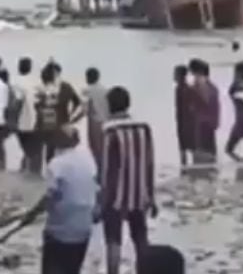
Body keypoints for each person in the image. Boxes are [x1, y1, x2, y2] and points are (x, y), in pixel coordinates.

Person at [97, 87, 155, 274]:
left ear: (109, 106)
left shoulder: (110, 131)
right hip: (139, 193)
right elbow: (149, 163)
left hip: (115, 196)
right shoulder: (144, 128)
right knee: (140, 237)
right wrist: (151, 195)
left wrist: (101, 199)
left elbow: (106, 168)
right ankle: (146, 270)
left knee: (113, 240)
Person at [35, 127, 96, 274]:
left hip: (59, 232)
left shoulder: (56, 164)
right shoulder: (88, 159)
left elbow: (49, 197)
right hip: (84, 230)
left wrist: (33, 213)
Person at [12, 58, 41, 174]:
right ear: (30, 68)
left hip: (22, 123)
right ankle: (32, 172)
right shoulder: (36, 83)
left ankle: (26, 171)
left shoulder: (17, 83)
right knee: (33, 151)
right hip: (35, 121)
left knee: (28, 150)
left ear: (19, 67)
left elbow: (17, 103)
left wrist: (12, 120)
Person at [82, 68, 109, 165]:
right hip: (106, 123)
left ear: (87, 77)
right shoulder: (105, 90)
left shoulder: (87, 91)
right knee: (103, 149)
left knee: (94, 149)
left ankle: (98, 169)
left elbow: (84, 109)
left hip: (94, 122)